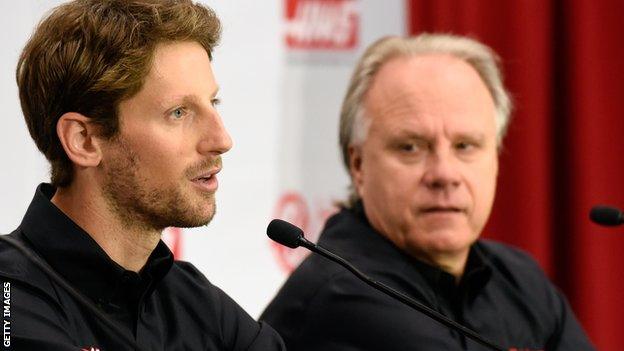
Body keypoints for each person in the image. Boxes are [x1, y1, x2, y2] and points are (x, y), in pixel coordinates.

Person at [261, 34, 595, 350]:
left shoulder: (521, 279)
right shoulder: (342, 293)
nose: (445, 174)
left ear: (496, 156)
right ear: (359, 164)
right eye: (410, 147)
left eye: (465, 145)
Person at [0, 1, 285, 350]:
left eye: (214, 103)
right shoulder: (11, 299)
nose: (222, 140)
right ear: (84, 140)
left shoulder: (194, 302)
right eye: (178, 112)